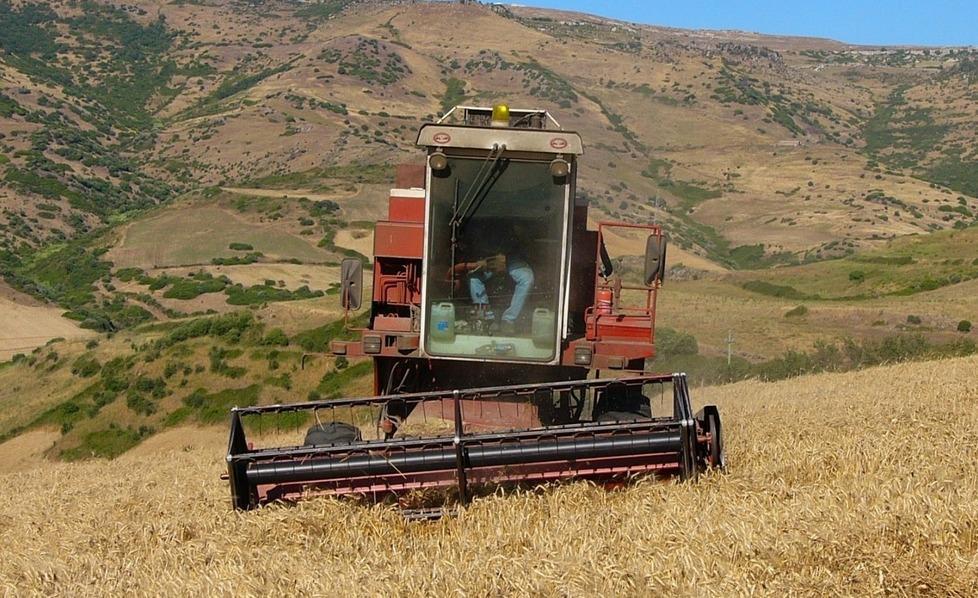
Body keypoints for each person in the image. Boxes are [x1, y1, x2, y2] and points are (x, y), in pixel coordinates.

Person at [451, 251, 534, 335]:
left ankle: (508, 320)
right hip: (487, 258)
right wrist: (485, 261)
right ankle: (486, 318)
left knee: (526, 278)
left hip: (512, 258)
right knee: (474, 279)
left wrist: (504, 258)